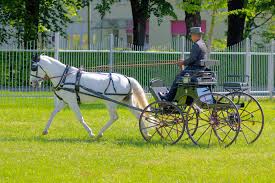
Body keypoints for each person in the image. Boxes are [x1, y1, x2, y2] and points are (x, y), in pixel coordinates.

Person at [159, 27, 208, 101]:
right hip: (200, 70)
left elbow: (192, 59)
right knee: (180, 77)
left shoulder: (196, 45)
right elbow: (196, 59)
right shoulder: (203, 44)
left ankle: (168, 97)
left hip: (194, 71)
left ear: (195, 35)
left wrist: (183, 62)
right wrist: (184, 61)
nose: (191, 37)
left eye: (191, 35)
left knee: (178, 78)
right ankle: (171, 95)